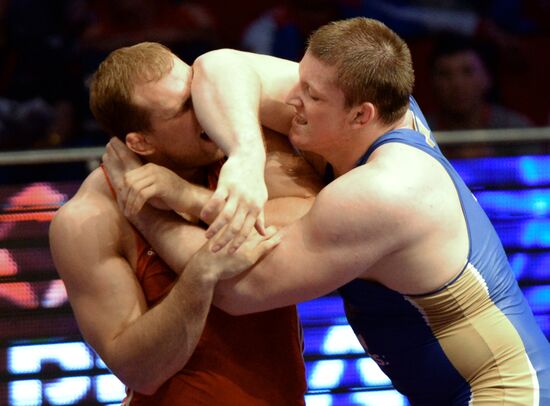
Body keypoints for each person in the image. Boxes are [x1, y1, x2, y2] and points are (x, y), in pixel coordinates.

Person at [118, 18, 550, 405]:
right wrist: (244, 157)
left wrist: (148, 212)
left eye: (312, 95)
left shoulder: (383, 190)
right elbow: (215, 68)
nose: (292, 99)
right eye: (300, 81)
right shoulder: (384, 110)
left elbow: (236, 288)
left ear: (360, 116)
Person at [49, 42, 322, 404]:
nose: (206, 107)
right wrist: (200, 275)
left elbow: (323, 212)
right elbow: (140, 370)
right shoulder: (88, 220)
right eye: (185, 107)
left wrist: (186, 197)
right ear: (141, 142)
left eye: (196, 89)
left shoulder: (241, 142)